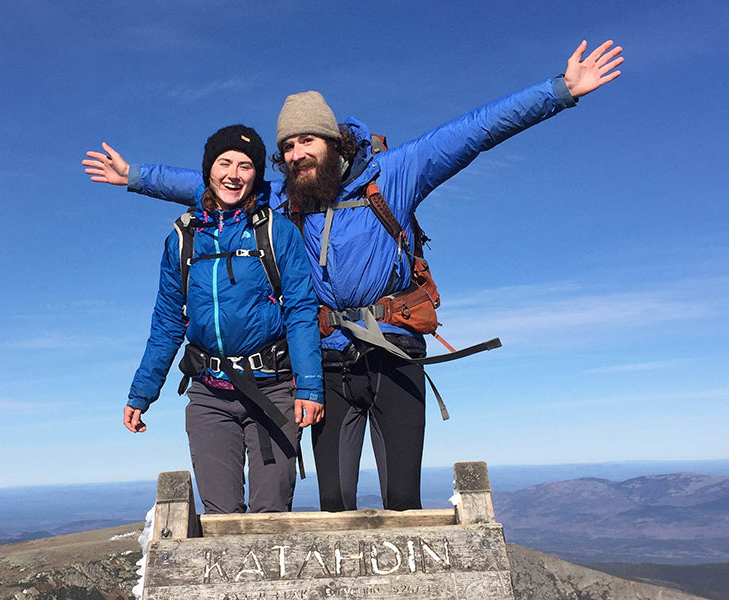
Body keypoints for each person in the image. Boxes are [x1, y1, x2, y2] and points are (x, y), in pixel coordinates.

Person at [85, 40, 623, 512]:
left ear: (333, 140)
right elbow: (216, 186)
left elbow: (476, 130)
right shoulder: (286, 194)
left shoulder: (396, 173)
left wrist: (559, 91)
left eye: (306, 142)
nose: (296, 155)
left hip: (395, 348)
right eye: (287, 148)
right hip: (326, 357)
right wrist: (136, 177)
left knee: (402, 501)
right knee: (335, 503)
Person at [123, 125, 324, 514]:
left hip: (273, 391)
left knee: (270, 519)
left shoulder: (276, 231)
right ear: (208, 170)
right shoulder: (182, 239)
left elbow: (301, 310)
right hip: (209, 396)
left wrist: (310, 388)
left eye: (246, 166)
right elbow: (167, 321)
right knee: (220, 520)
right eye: (224, 163)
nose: (234, 174)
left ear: (256, 175)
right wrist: (141, 393)